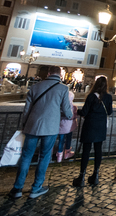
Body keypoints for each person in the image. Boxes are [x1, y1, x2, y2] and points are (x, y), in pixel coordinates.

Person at [9, 66, 72, 199]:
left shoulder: (35, 87)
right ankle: (36, 188)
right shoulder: (63, 89)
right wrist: (68, 115)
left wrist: (25, 124)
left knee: (26, 157)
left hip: (32, 126)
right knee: (44, 157)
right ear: (60, 75)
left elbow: (27, 109)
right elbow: (67, 111)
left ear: (48, 73)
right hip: (50, 128)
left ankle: (17, 188)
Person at [73, 76, 113, 186]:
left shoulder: (91, 96)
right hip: (101, 126)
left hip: (90, 125)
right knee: (98, 150)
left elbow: (85, 112)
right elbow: (109, 112)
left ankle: (81, 176)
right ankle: (95, 175)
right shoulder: (108, 97)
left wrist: (76, 111)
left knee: (86, 150)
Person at [56, 91, 78, 162]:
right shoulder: (73, 107)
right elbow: (74, 116)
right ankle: (67, 153)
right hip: (69, 127)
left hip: (61, 126)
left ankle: (59, 155)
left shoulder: (60, 106)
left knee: (61, 140)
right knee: (68, 139)